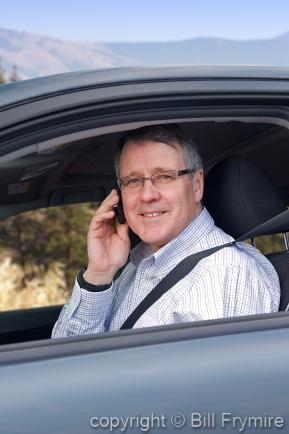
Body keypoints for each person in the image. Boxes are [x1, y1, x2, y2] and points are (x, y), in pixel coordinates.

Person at [52, 124, 280, 338]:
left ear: (197, 185)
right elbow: (65, 358)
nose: (147, 195)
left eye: (164, 177)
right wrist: (99, 274)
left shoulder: (225, 274)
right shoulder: (137, 263)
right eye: (133, 181)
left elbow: (223, 380)